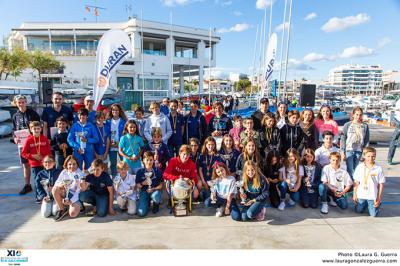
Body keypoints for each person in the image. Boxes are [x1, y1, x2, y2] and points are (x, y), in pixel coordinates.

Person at [11, 95, 40, 195]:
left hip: (33, 143)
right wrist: (14, 137)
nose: (21, 104)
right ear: (16, 103)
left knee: (37, 163)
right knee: (25, 164)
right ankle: (27, 185)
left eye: (23, 102)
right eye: (19, 102)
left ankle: (40, 184)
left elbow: (38, 126)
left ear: (26, 102)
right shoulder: (15, 116)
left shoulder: (33, 113)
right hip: (22, 144)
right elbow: (14, 129)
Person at [21, 121, 52, 203]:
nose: (36, 130)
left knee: (46, 180)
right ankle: (38, 196)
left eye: (38, 128)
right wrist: (32, 156)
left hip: (45, 164)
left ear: (41, 129)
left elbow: (49, 152)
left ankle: (47, 195)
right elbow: (23, 153)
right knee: (37, 180)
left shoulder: (44, 139)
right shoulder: (29, 140)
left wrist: (49, 161)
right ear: (31, 130)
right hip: (35, 164)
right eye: (34, 129)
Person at [51, 155, 85, 221]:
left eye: (74, 164)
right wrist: (60, 184)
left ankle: (78, 205)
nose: (72, 166)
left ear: (77, 164)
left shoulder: (80, 174)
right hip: (65, 193)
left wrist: (71, 201)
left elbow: (78, 191)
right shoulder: (64, 172)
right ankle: (62, 209)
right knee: (55, 189)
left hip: (75, 196)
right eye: (70, 164)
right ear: (66, 164)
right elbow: (57, 182)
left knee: (73, 214)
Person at [353, 147, 385, 217]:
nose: (370, 158)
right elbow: (356, 182)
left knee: (374, 215)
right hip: (361, 194)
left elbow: (381, 184)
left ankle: (375, 205)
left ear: (375, 156)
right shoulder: (359, 167)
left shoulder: (378, 168)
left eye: (373, 156)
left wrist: (379, 198)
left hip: (372, 195)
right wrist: (354, 194)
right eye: (368, 156)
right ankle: (365, 204)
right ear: (364, 156)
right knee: (358, 211)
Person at [341, 107, 370, 178]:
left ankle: (355, 184)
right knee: (350, 169)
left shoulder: (365, 126)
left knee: (357, 169)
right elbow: (343, 138)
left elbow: (366, 140)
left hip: (359, 150)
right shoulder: (347, 125)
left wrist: (365, 153)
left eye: (360, 115)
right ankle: (350, 184)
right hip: (349, 149)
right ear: (353, 115)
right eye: (357, 114)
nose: (358, 116)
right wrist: (342, 151)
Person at [136, 151, 164, 216]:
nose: (149, 162)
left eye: (151, 160)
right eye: (147, 160)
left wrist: (154, 188)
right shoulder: (140, 172)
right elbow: (137, 185)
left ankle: (156, 205)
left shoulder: (157, 171)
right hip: (144, 191)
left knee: (156, 195)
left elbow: (161, 185)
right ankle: (147, 202)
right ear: (143, 160)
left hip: (154, 191)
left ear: (153, 160)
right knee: (141, 213)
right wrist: (143, 183)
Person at [105, 104, 127, 177]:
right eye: (113, 110)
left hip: (121, 146)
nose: (115, 111)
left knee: (123, 162)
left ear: (119, 111)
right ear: (111, 111)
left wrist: (119, 143)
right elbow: (107, 134)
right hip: (112, 145)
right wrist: (110, 143)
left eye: (116, 110)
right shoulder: (107, 122)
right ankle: (114, 179)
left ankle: (124, 178)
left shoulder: (124, 121)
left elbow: (126, 135)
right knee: (113, 163)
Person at [387, 100, 400, 165]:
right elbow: (392, 123)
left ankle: (389, 159)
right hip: (397, 129)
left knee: (393, 144)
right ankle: (389, 159)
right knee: (393, 144)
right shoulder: (394, 115)